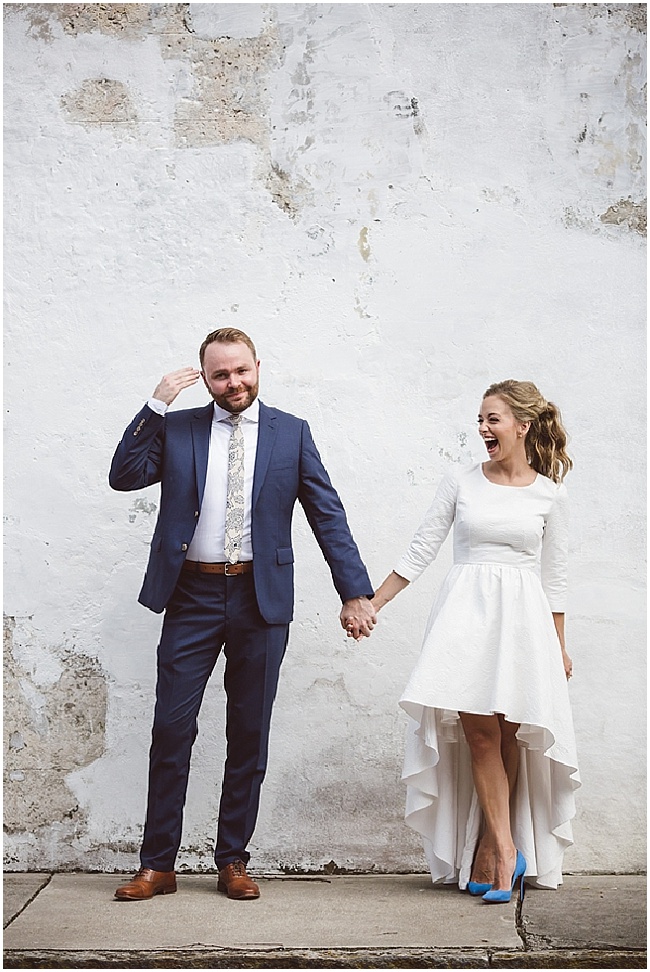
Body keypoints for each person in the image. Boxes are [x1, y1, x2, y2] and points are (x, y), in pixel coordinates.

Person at [109, 327, 375, 901]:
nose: (233, 383)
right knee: (171, 729)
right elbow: (124, 475)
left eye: (241, 371)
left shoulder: (291, 433)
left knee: (248, 733)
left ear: (258, 366)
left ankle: (232, 859)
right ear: (204, 378)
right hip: (191, 597)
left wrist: (355, 593)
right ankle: (158, 864)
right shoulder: (179, 429)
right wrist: (157, 403)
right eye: (219, 375)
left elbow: (327, 514)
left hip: (261, 598)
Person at [371, 380, 580, 902]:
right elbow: (421, 549)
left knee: (509, 737)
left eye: (494, 419)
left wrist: (559, 645)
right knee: (480, 735)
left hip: (523, 623)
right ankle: (508, 855)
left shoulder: (549, 494)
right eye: (481, 420)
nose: (483, 428)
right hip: (465, 617)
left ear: (522, 426)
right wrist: (373, 604)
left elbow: (554, 580)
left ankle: (493, 846)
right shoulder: (461, 482)